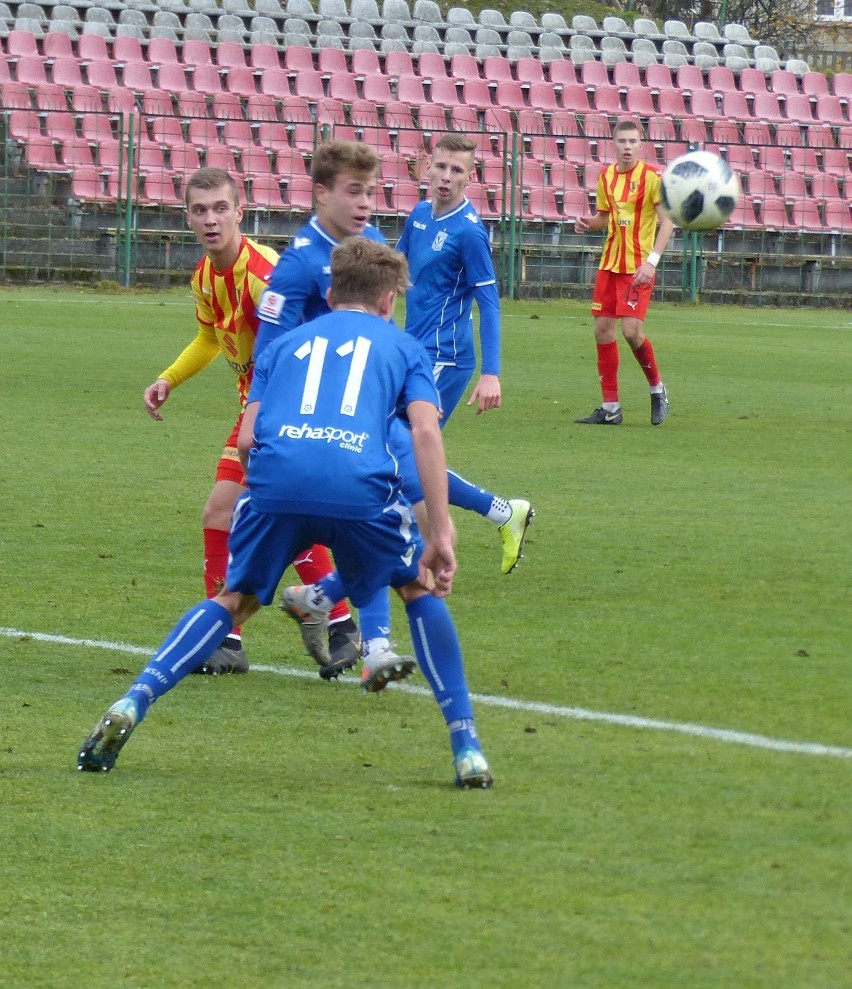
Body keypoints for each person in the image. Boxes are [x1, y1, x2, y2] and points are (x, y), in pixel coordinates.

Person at [77, 238, 494, 789]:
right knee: (418, 586)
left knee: (234, 599)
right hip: (357, 486)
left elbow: (248, 438)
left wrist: (277, 506)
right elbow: (422, 432)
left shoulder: (283, 345)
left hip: (275, 479)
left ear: (329, 292)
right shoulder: (404, 348)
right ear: (390, 300)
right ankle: (466, 748)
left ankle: (133, 700)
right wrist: (440, 531)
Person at [255, 139, 532, 690]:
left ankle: (334, 606)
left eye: (369, 192)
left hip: (406, 384)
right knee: (395, 501)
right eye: (353, 192)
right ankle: (359, 625)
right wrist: (259, 416)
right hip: (339, 410)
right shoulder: (306, 260)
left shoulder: (406, 238)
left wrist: (470, 371)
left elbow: (410, 313)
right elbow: (274, 348)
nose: (364, 203)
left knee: (402, 498)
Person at [141, 167, 360, 677]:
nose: (210, 219)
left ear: (240, 211)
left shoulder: (262, 276)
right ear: (188, 217)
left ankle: (329, 621)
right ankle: (247, 639)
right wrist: (169, 379)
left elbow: (307, 341)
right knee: (228, 516)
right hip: (255, 409)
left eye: (221, 208)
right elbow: (210, 339)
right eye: (199, 210)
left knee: (255, 513)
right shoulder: (204, 275)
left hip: (282, 410)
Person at [397, 133, 534, 573]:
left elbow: (489, 303)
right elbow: (394, 274)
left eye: (457, 171)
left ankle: (410, 547)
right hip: (411, 353)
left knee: (401, 452)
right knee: (397, 451)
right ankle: (503, 512)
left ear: (470, 178)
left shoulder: (469, 231)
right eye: (441, 167)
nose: (446, 177)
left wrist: (491, 373)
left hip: (446, 358)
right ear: (426, 167)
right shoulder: (418, 215)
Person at [574, 117, 674, 426]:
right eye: (622, 141)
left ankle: (658, 389)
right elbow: (606, 218)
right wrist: (590, 223)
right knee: (602, 330)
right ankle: (610, 408)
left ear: (641, 145)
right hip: (610, 264)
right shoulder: (605, 177)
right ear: (614, 144)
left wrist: (652, 262)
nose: (627, 147)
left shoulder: (653, 178)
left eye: (632, 141)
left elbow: (668, 221)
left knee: (631, 332)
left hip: (638, 267)